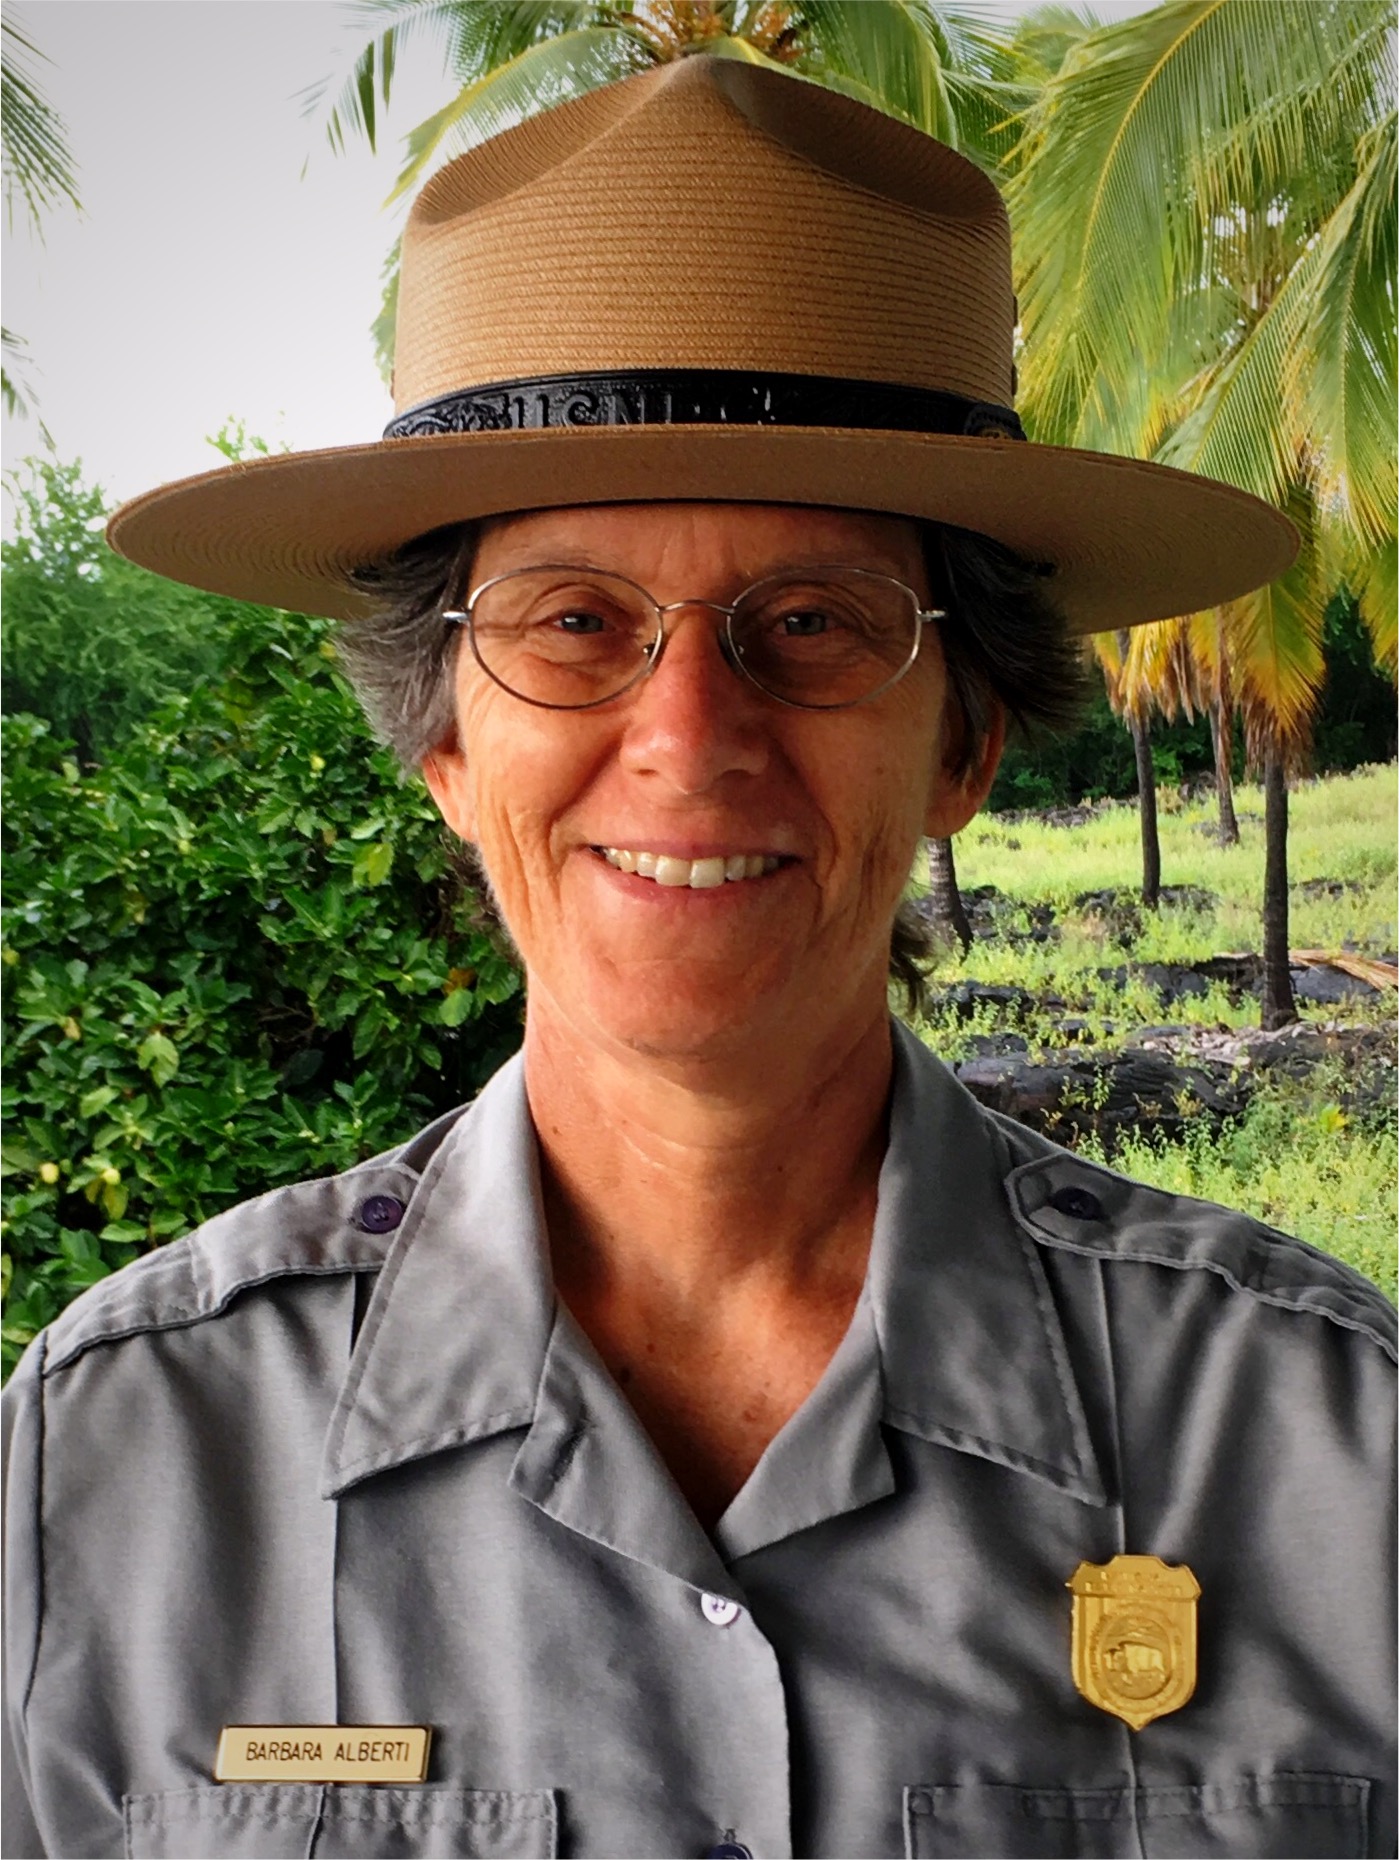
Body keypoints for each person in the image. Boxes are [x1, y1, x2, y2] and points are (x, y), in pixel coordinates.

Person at [3, 57, 1393, 1860]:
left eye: (812, 624)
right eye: (572, 622)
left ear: (963, 744)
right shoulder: (112, 1465)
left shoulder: (1327, 1444)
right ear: (444, 748)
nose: (688, 733)